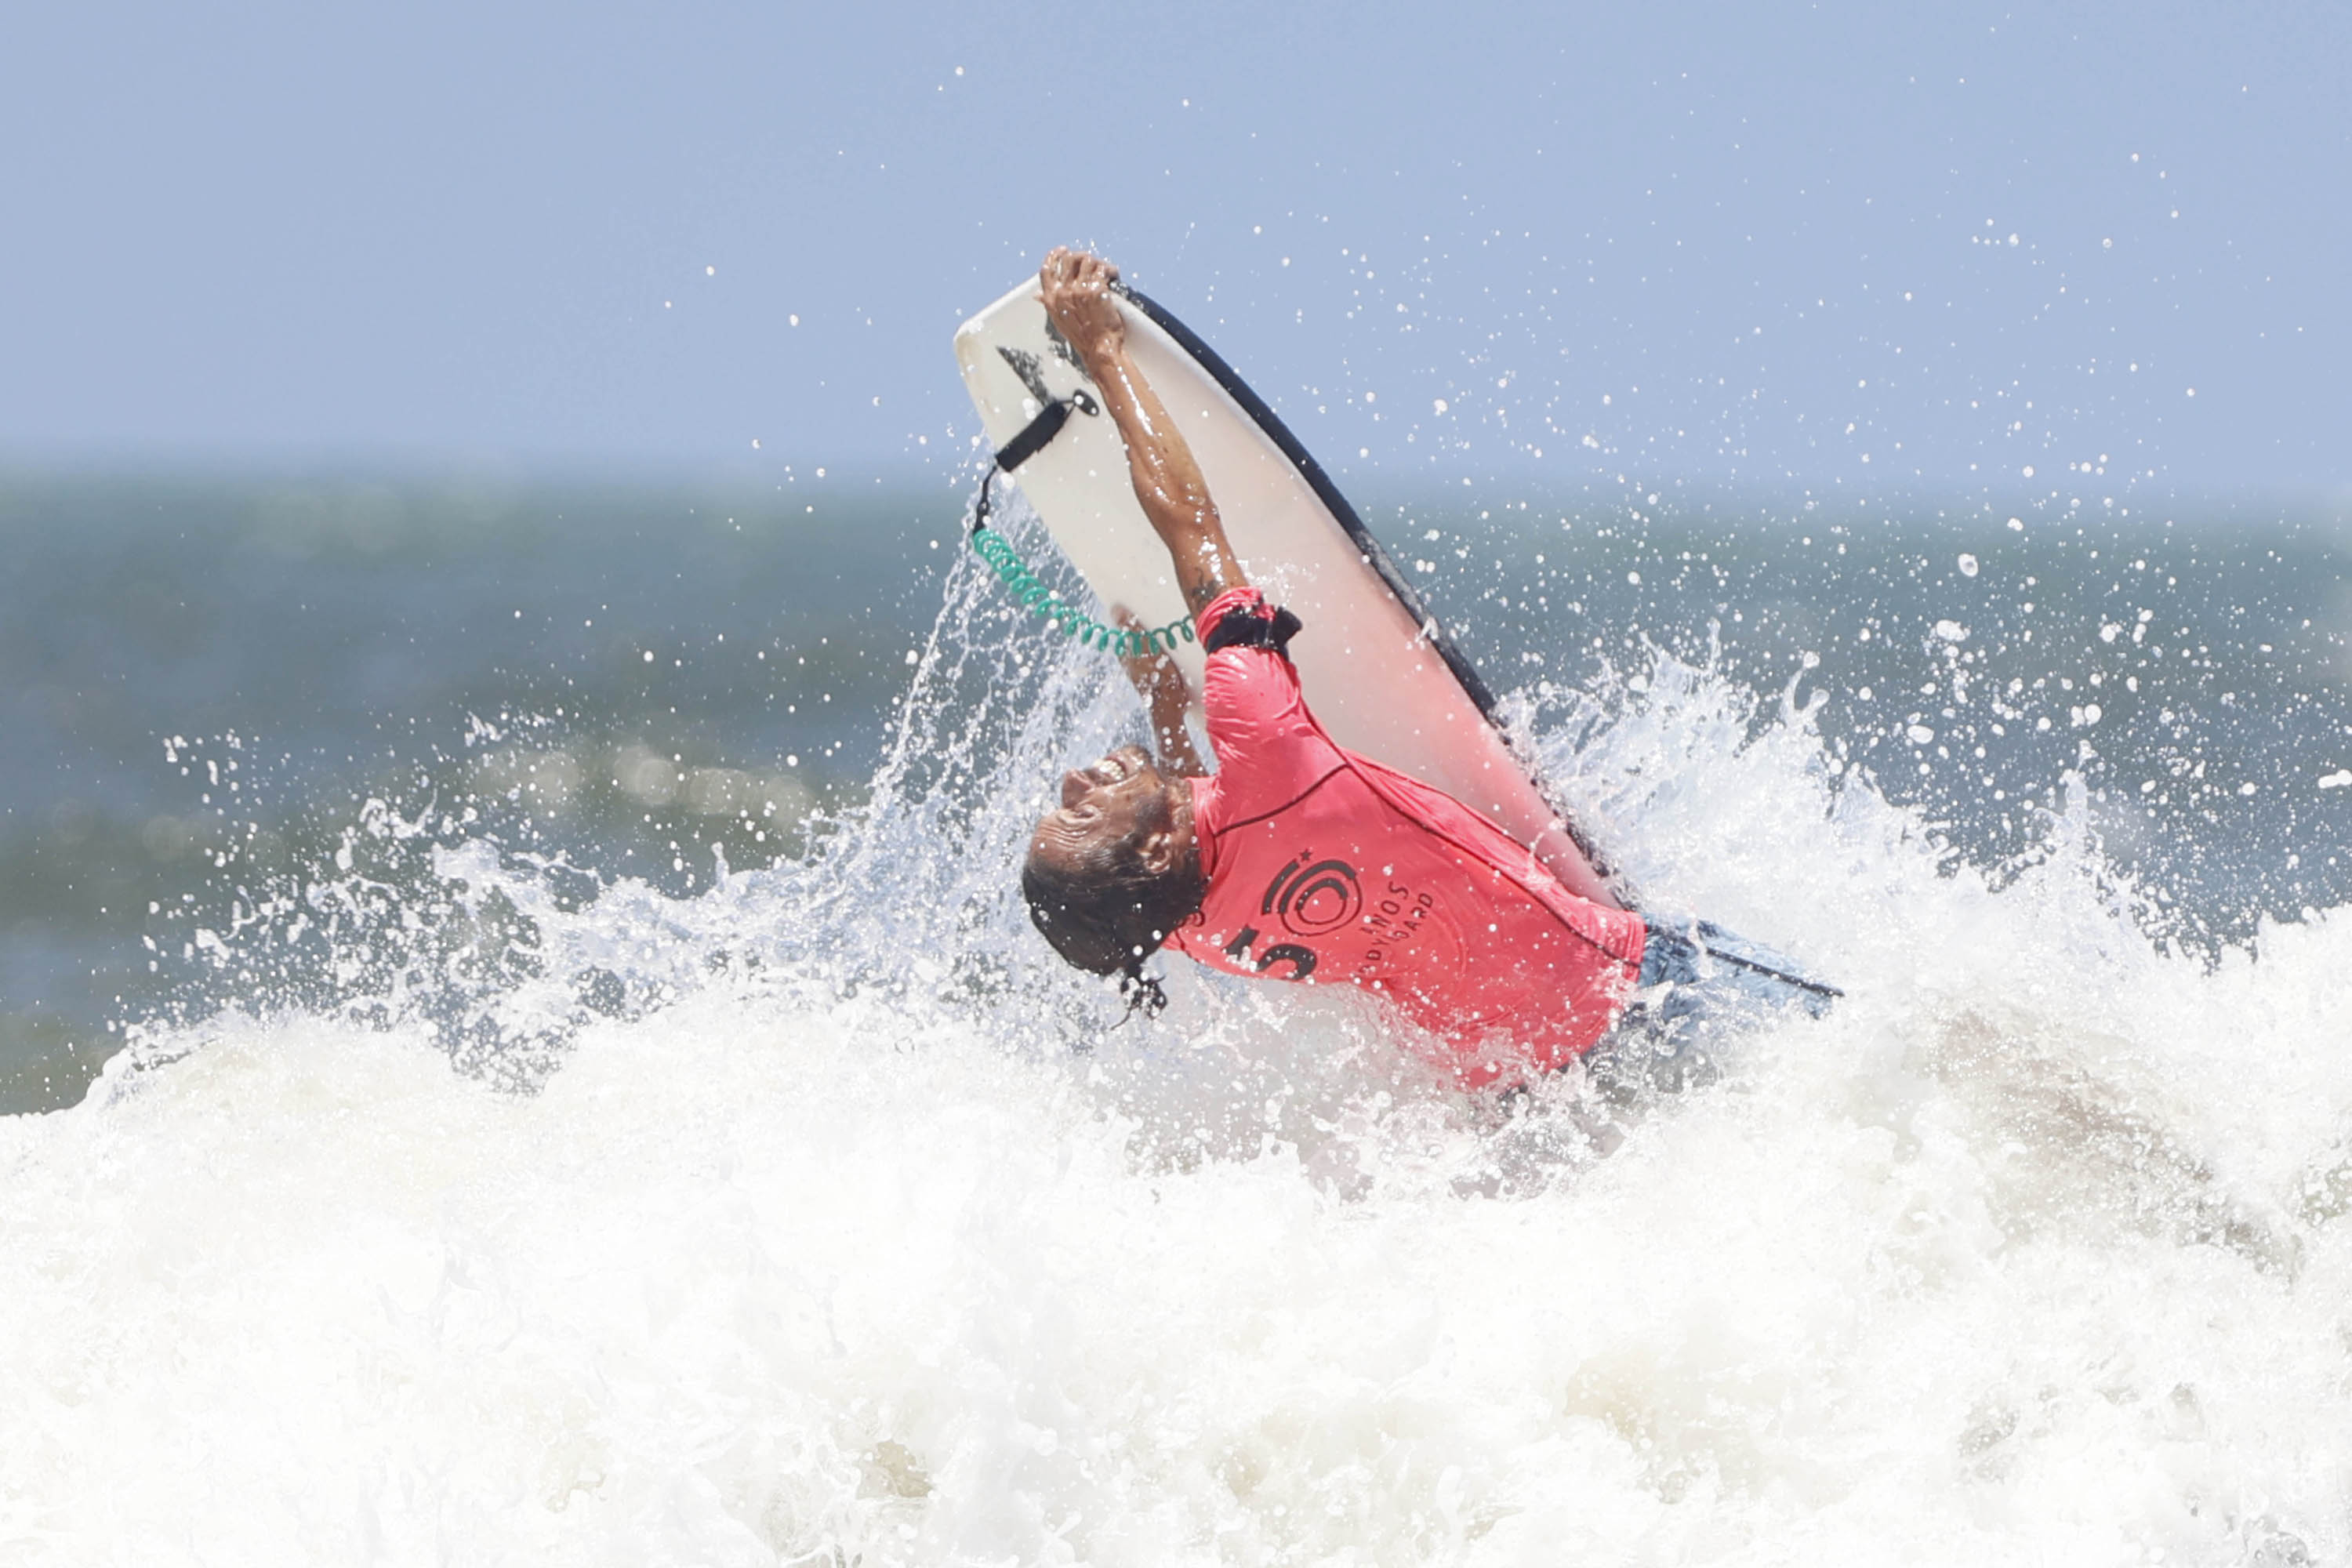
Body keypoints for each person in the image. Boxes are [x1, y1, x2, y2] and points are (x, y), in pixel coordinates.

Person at [1019, 247, 1832, 1094]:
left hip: (1522, 1090)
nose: (1074, 781)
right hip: (1644, 993)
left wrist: (1160, 701)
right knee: (1875, 1054)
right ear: (1151, 848)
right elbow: (1194, 534)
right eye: (1081, 816)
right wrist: (1103, 351)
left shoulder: (1188, 929)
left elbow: (1192, 829)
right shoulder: (1266, 750)